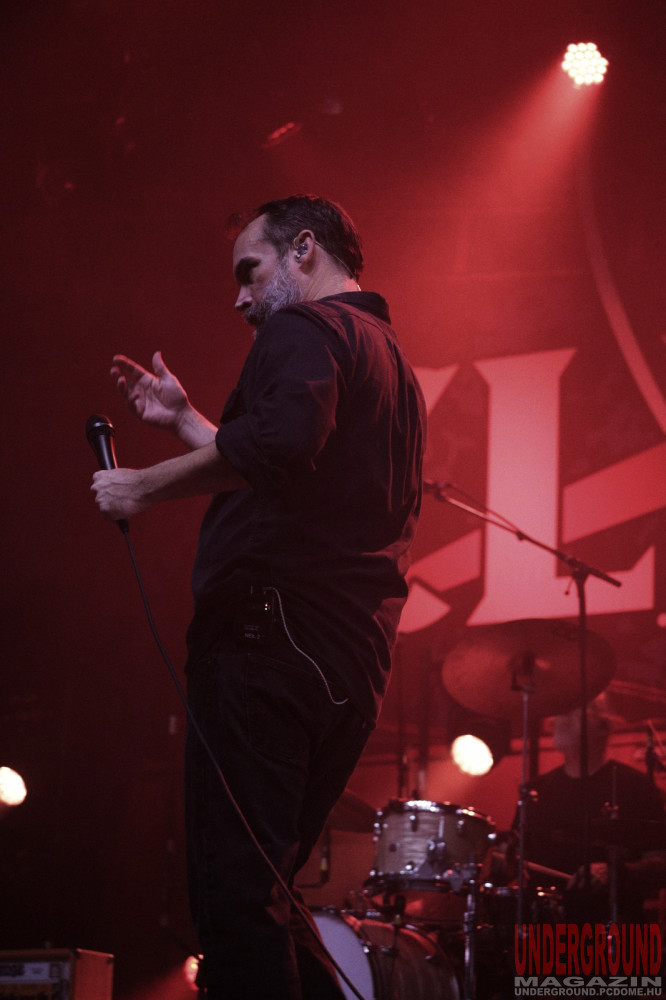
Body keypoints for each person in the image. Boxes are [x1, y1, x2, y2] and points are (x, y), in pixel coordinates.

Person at [91, 195, 426, 999]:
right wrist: (188, 424)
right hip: (345, 663)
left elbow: (277, 444)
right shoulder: (389, 359)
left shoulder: (304, 326)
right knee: (267, 897)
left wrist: (142, 486)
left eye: (251, 271)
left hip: (266, 641)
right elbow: (290, 469)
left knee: (236, 900)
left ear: (304, 248)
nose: (239, 298)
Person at [513, 695, 666, 924]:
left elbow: (661, 862)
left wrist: (615, 872)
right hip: (546, 933)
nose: (561, 718)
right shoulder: (535, 791)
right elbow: (514, 856)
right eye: (560, 711)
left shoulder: (636, 785)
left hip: (619, 931)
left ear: (603, 726)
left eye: (574, 710)